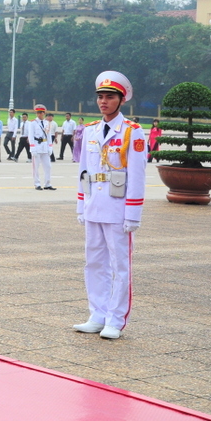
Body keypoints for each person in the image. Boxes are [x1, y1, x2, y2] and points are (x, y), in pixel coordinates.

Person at [74, 71, 146, 340]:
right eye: (101, 97)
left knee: (120, 266)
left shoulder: (132, 132)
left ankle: (115, 319)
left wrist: (133, 214)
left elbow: (137, 176)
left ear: (121, 100)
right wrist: (81, 205)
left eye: (110, 97)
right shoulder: (91, 130)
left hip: (118, 209)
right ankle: (97, 314)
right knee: (94, 263)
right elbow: (84, 171)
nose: (103, 101)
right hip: (94, 206)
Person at [27, 104, 55, 190]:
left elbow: (49, 136)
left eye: (40, 112)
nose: (39, 114)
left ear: (44, 113)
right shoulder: (32, 123)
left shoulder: (47, 123)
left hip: (45, 146)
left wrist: (50, 147)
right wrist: (32, 147)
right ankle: (37, 183)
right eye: (37, 112)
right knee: (36, 167)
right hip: (36, 145)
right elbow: (30, 136)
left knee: (48, 166)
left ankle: (47, 183)